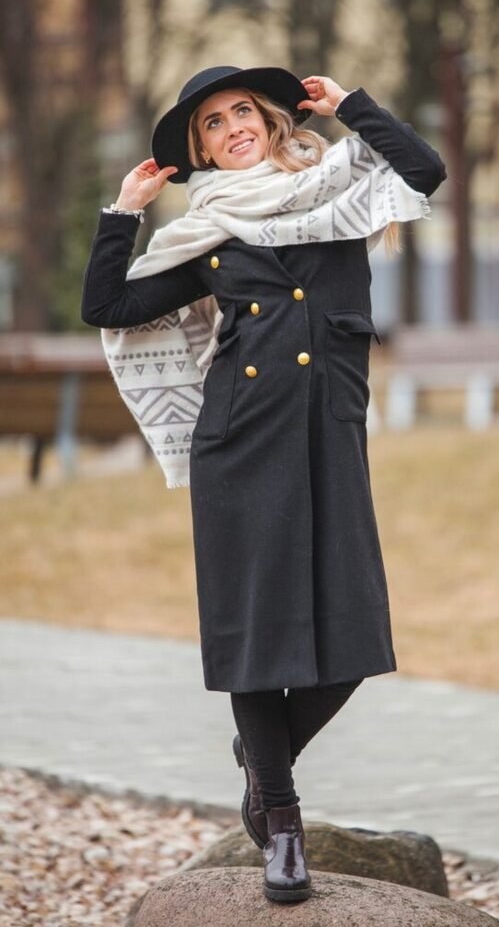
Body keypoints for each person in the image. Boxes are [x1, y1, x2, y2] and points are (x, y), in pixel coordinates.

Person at [81, 64, 446, 903]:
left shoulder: (339, 185)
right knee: (254, 631)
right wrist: (125, 215)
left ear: (272, 119)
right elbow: (107, 307)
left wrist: (350, 106)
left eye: (241, 110)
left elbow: (421, 169)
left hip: (330, 435)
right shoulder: (208, 233)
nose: (230, 127)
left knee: (353, 634)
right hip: (240, 443)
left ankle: (263, 751)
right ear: (199, 150)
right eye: (210, 123)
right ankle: (280, 818)